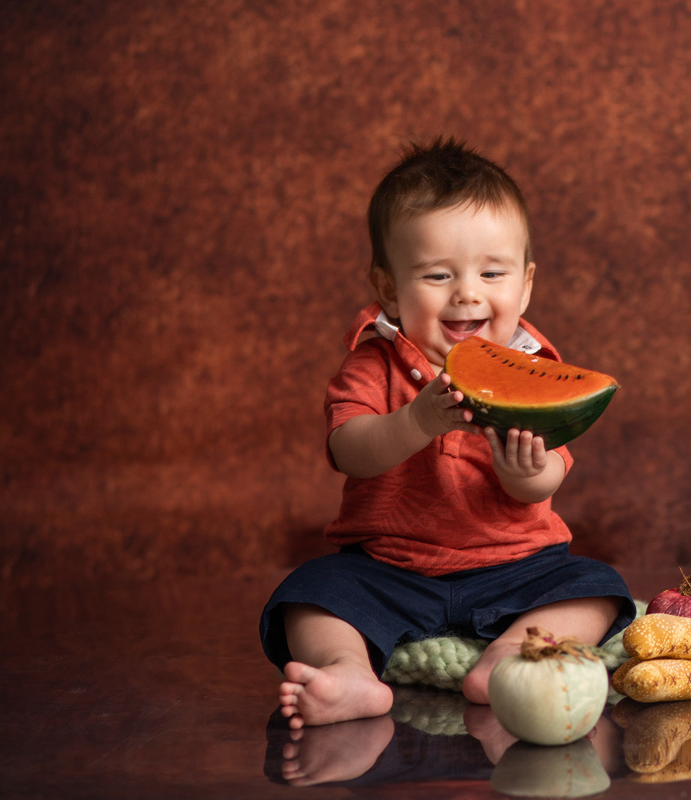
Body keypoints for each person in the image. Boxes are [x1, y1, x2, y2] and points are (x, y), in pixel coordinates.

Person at [260, 137, 634, 727]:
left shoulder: (532, 369)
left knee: (595, 586)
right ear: (388, 289)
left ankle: (512, 654)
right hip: (390, 568)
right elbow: (348, 450)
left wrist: (527, 475)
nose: (467, 292)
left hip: (517, 567)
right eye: (437, 275)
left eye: (492, 272)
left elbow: (550, 475)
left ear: (526, 284)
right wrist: (415, 421)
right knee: (309, 593)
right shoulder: (370, 365)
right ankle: (349, 673)